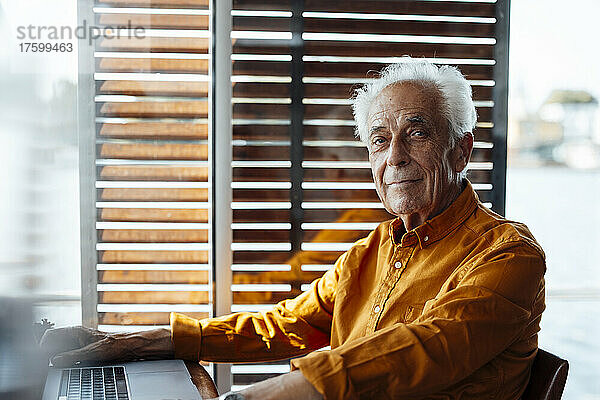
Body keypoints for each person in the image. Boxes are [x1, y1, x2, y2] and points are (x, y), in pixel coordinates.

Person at [42, 58, 546, 400]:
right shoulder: (368, 253)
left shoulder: (509, 255)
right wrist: (143, 341)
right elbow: (285, 324)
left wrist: (260, 396)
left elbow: (428, 346)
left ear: (460, 148)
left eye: (416, 132)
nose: (394, 157)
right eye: (378, 140)